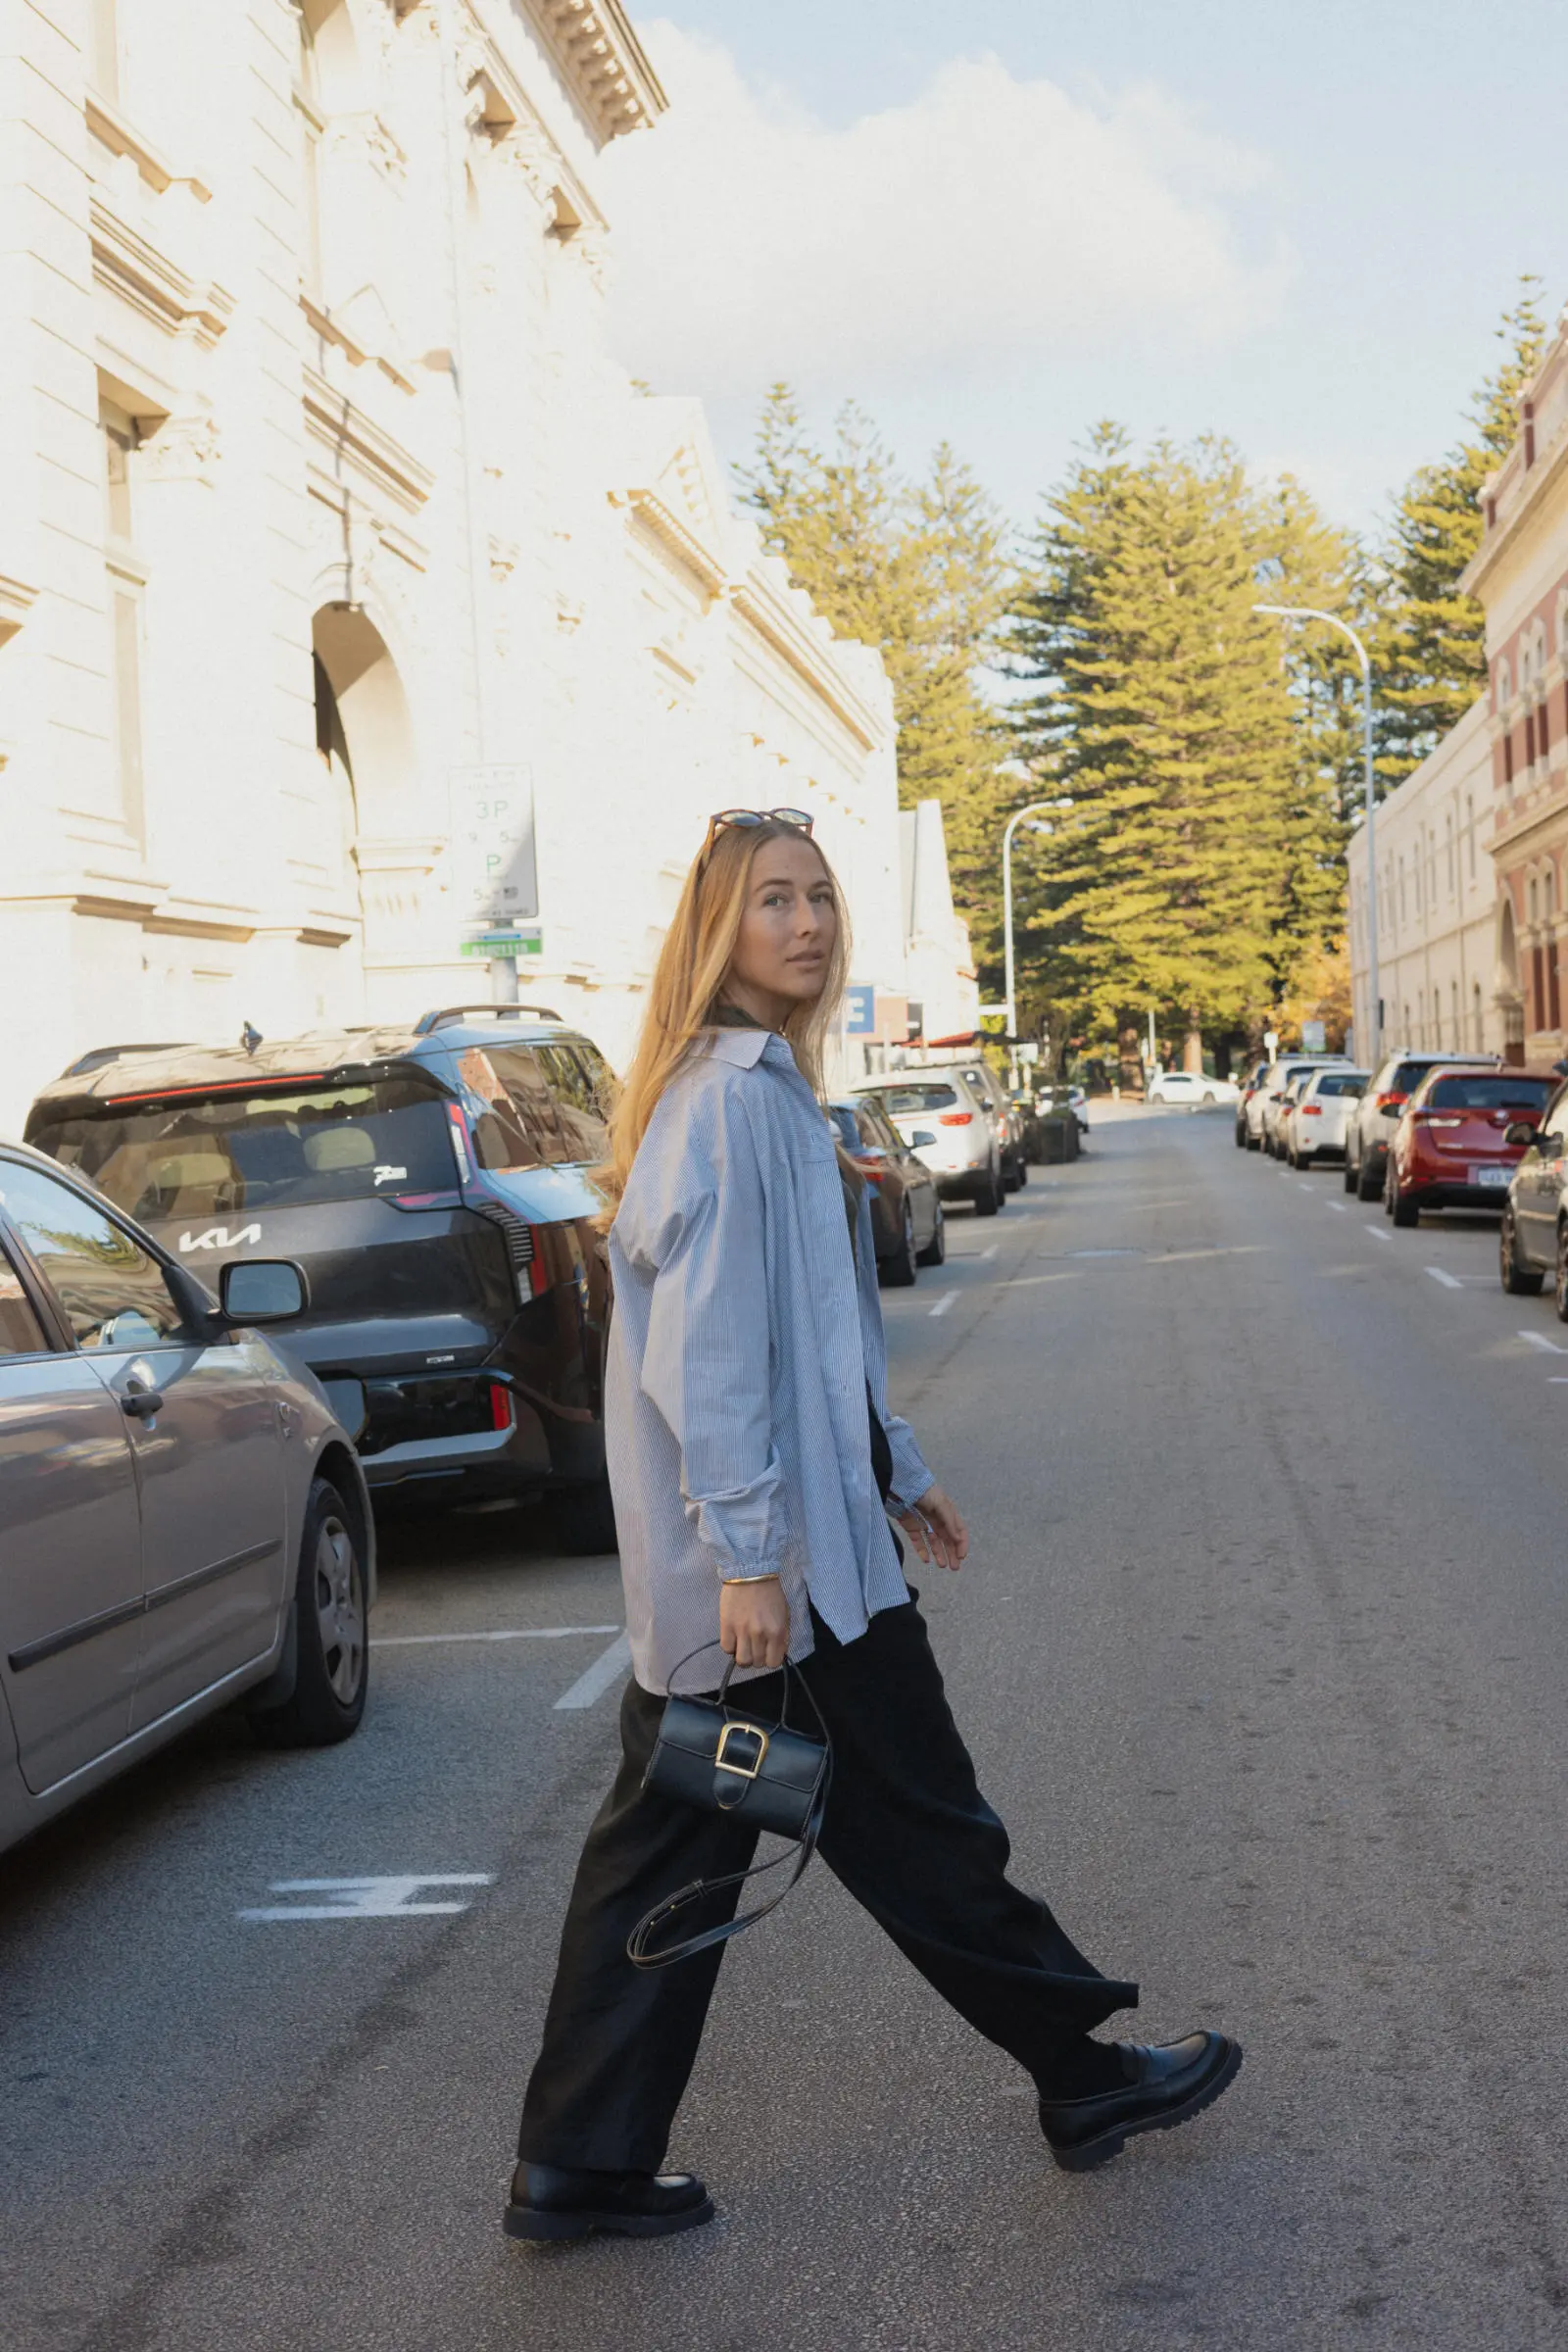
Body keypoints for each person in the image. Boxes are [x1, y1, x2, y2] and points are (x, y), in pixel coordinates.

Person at [505, 810, 1241, 2243]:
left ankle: (579, 2165)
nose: (807, 923)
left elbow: (812, 1339)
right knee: (924, 1826)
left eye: (821, 899)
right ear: (719, 932)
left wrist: (895, 1467)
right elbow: (709, 1366)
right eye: (773, 902)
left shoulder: (768, 1096)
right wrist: (753, 1561)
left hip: (796, 1570)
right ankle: (1081, 2076)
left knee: (677, 1861)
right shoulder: (725, 1104)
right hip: (787, 1595)